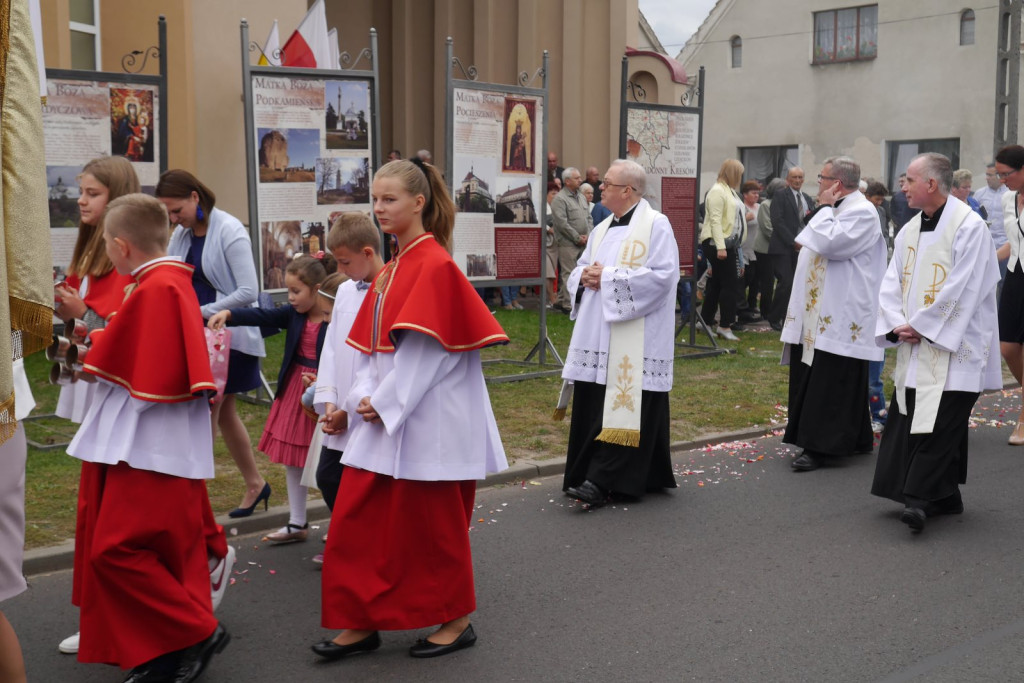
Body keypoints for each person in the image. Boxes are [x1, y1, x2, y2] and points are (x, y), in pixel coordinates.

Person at [315, 159, 509, 660]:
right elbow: (367, 347)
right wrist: (361, 397)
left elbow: (429, 352)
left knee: (432, 528)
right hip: (386, 416)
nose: (379, 208)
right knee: (358, 520)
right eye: (375, 199)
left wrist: (380, 402)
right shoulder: (394, 267)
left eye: (390, 199)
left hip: (430, 423)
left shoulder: (435, 264)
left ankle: (456, 619)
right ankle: (361, 619)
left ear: (418, 203)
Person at [67, 193, 230, 680]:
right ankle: (160, 656)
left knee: (114, 550)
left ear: (120, 246)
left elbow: (119, 361)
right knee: (157, 554)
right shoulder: (162, 282)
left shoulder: (157, 287)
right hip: (151, 442)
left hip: (152, 447)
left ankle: (197, 630)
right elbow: (124, 348)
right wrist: (87, 345)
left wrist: (64, 347)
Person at [871, 153, 1001, 533]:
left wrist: (923, 326)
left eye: (909, 180)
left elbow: (966, 287)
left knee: (941, 422)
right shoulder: (911, 229)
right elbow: (891, 281)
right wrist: (898, 324)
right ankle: (945, 496)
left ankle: (918, 499)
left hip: (953, 346)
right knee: (916, 416)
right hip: (917, 342)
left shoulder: (969, 226)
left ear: (930, 184)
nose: (903, 187)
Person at [557, 158, 680, 506]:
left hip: (635, 336)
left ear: (627, 191)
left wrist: (607, 278)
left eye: (607, 183)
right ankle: (591, 471)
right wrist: (584, 277)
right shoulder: (602, 227)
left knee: (626, 400)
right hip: (598, 333)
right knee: (596, 400)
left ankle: (603, 478)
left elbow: (662, 277)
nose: (600, 188)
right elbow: (580, 268)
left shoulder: (656, 225)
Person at [157, 170, 270, 518]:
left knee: (207, 411)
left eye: (177, 211)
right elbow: (170, 272)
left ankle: (193, 498)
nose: (174, 220)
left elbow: (249, 291)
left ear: (195, 197)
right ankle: (255, 484)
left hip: (227, 335)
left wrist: (200, 311)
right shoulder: (183, 233)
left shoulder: (230, 229)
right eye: (169, 214)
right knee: (223, 414)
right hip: (200, 331)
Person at [208, 253, 335, 543]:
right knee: (293, 460)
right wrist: (230, 314)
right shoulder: (294, 314)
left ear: (317, 290)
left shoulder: (335, 315)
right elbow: (264, 315)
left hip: (325, 391)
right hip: (296, 391)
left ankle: (339, 524)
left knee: (326, 462)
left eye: (295, 291)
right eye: (288, 291)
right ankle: (297, 522)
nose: (289, 298)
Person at [779, 157, 887, 472]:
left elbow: (830, 244)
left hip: (838, 314)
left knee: (830, 379)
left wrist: (824, 209)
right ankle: (855, 438)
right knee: (830, 377)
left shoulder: (863, 212)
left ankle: (821, 446)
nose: (819, 184)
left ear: (837, 184)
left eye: (823, 178)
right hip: (817, 309)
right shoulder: (842, 210)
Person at [54, 157, 139, 425]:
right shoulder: (91, 247)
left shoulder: (127, 259)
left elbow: (123, 329)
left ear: (117, 198)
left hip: (109, 370)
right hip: (89, 360)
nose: (81, 200)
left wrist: (81, 313)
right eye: (81, 192)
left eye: (93, 194)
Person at [314, 213, 385, 520]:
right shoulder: (345, 289)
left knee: (364, 486)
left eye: (344, 262)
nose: (340, 270)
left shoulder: (386, 290)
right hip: (340, 405)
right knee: (328, 477)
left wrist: (348, 408)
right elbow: (331, 348)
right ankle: (354, 541)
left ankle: (362, 544)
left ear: (367, 253)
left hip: (366, 408)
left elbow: (375, 357)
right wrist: (330, 402)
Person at [994, 146, 1024, 444]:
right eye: (999, 174)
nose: (1002, 180)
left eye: (1007, 174)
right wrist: (987, 260)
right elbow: (1012, 242)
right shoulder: (1007, 199)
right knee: (1007, 348)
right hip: (1016, 275)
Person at [698, 159, 745, 341]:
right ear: (733, 173)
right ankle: (725, 325)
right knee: (730, 285)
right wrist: (721, 247)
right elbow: (715, 221)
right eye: (739, 173)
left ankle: (705, 321)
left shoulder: (728, 190)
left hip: (725, 243)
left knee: (717, 285)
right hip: (719, 244)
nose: (740, 177)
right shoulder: (718, 191)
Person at [767, 167, 812, 330]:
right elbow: (777, 221)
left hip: (801, 248)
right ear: (788, 179)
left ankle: (789, 316)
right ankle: (774, 317)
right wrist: (794, 241)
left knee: (796, 283)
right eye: (794, 177)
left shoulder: (806, 198)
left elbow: (809, 219)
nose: (797, 180)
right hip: (783, 247)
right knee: (785, 282)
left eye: (800, 177)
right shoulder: (780, 195)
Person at [550, 167, 593, 312]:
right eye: (577, 178)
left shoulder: (581, 196)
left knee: (578, 272)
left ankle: (561, 300)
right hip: (568, 243)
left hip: (583, 241)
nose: (580, 180)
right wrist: (576, 237)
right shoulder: (560, 199)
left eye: (580, 177)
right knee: (569, 273)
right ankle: (569, 305)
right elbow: (562, 223)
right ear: (567, 181)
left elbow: (588, 218)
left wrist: (589, 234)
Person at [754, 178, 786, 322]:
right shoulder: (765, 205)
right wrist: (786, 239)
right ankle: (765, 312)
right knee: (766, 282)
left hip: (779, 249)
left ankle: (777, 311)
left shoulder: (782, 204)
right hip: (765, 250)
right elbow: (767, 228)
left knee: (780, 281)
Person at [973, 162, 1009, 267]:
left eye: (990, 175)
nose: (986, 178)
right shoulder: (979, 194)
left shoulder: (1011, 194)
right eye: (986, 175)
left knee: (1003, 282)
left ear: (999, 175)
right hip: (984, 246)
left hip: (1005, 247)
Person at [738, 180, 762, 321]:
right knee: (746, 278)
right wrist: (745, 219)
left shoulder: (759, 207)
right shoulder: (741, 208)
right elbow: (734, 225)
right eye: (753, 193)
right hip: (745, 249)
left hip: (757, 249)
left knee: (755, 281)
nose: (756, 196)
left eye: (758, 193)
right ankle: (741, 308)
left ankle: (751, 306)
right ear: (745, 195)